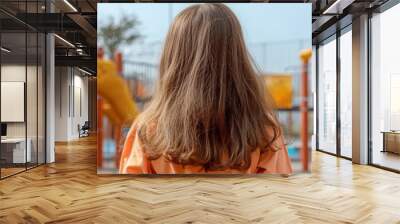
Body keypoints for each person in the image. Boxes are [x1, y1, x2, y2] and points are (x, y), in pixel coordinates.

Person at [119, 3, 293, 174]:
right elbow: (279, 194)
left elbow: (129, 195)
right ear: (237, 56)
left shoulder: (148, 129)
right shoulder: (263, 128)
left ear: (172, 58)